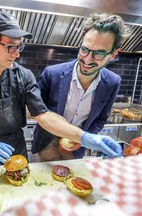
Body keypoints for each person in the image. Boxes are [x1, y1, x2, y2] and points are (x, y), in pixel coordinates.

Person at [0, 11, 122, 166]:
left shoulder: (24, 76)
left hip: (17, 149)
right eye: (10, 46)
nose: (17, 54)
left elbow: (43, 115)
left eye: (19, 46)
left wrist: (84, 137)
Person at [32, 13, 132, 161]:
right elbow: (39, 112)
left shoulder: (113, 82)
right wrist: (83, 137)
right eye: (84, 50)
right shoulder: (52, 74)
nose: (87, 59)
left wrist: (85, 138)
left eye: (98, 54)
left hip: (77, 146)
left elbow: (101, 118)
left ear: (113, 54)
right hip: (47, 141)